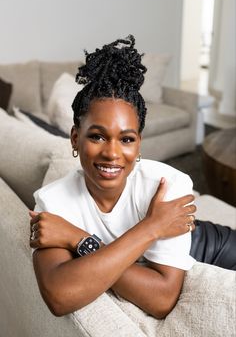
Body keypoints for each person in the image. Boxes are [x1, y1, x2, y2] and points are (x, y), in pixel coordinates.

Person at [29, 35, 235, 319]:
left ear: (138, 144)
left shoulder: (166, 184)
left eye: (126, 139)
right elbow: (59, 296)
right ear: (75, 139)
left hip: (214, 248)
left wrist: (77, 239)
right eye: (98, 136)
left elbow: (163, 298)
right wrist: (152, 227)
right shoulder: (53, 202)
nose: (112, 153)